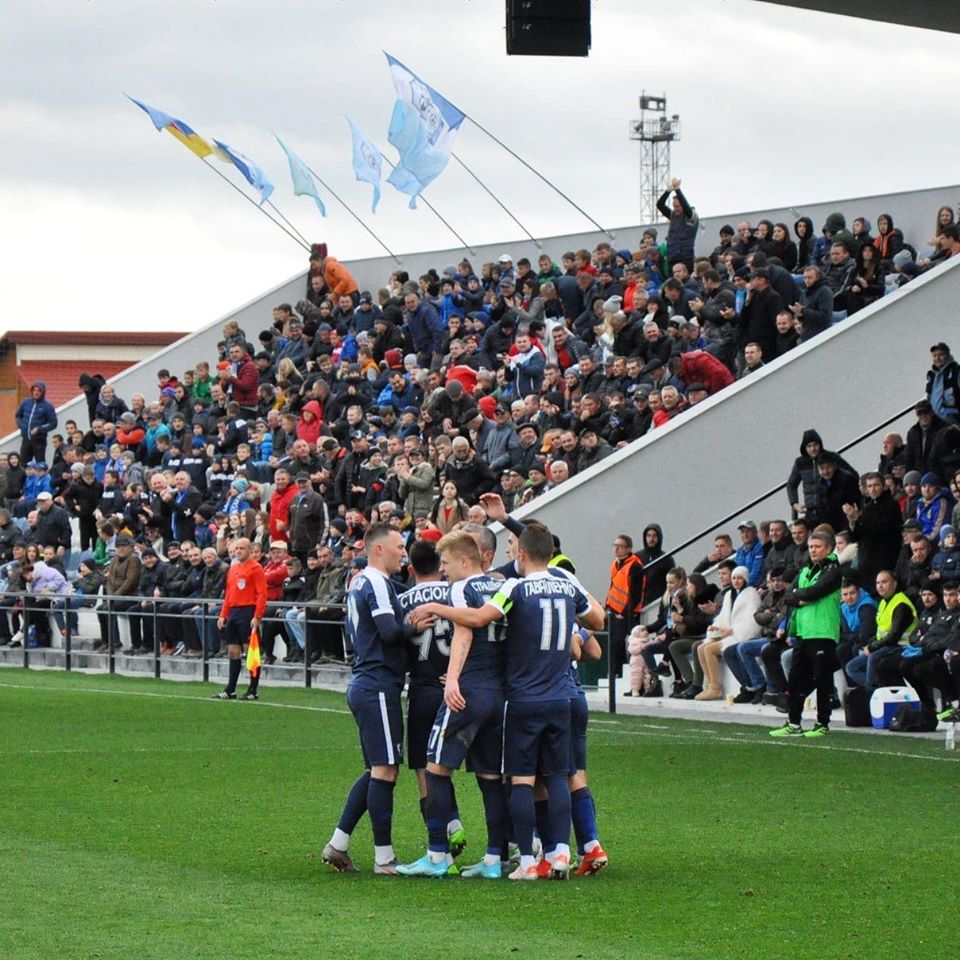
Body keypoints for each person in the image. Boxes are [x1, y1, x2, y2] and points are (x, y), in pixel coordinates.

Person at [414, 524, 604, 880]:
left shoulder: (514, 588)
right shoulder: (565, 584)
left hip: (522, 696)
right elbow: (596, 622)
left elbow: (480, 618)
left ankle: (527, 863)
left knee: (521, 781)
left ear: (520, 555)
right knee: (559, 777)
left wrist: (437, 606)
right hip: (563, 694)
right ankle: (559, 854)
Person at [396, 531, 508, 879]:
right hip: (497, 691)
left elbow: (465, 631)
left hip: (468, 690)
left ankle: (437, 854)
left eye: (445, 564)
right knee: (490, 775)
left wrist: (455, 678)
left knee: (435, 769)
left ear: (463, 560)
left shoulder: (462, 589)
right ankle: (494, 858)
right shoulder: (501, 587)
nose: (442, 572)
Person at [322, 522, 422, 876]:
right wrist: (416, 625)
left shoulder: (360, 581)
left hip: (370, 681)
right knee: (385, 769)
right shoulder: (375, 582)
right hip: (377, 682)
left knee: (380, 768)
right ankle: (384, 858)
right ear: (378, 549)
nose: (403, 553)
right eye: (398, 547)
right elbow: (390, 632)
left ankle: (339, 843)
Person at [393, 540, 466, 876]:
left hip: (422, 690)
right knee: (475, 768)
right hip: (454, 686)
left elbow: (396, 642)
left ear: (410, 569)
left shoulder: (403, 601)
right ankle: (504, 845)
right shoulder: (456, 596)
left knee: (425, 770)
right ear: (441, 565)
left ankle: (440, 847)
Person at [770, 528, 842, 738]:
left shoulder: (833, 570)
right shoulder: (805, 570)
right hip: (803, 631)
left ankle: (822, 723)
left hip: (823, 631)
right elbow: (789, 595)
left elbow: (815, 592)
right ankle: (794, 723)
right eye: (811, 547)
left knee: (822, 679)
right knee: (796, 678)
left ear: (829, 548)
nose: (813, 550)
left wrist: (801, 596)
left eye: (817, 547)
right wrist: (802, 598)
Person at [214, 537, 267, 701]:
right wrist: (223, 614)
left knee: (251, 651)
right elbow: (229, 594)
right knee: (233, 651)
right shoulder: (233, 569)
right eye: (236, 549)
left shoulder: (256, 569)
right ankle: (231, 689)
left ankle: (253, 689)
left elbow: (262, 593)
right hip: (234, 612)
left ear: (250, 550)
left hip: (248, 611)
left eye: (241, 548)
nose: (238, 551)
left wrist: (257, 615)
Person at [605, 533, 645, 685]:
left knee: (620, 643)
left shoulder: (634, 566)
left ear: (628, 548)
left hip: (625, 614)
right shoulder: (615, 564)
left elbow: (635, 593)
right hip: (613, 610)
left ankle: (618, 673)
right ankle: (615, 672)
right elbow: (613, 587)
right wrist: (608, 605)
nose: (616, 549)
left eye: (620, 546)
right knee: (614, 643)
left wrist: (623, 613)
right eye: (614, 545)